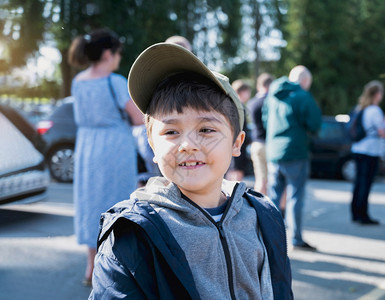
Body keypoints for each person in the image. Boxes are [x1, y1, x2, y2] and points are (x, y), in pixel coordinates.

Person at [89, 43, 293, 299]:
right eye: (171, 132)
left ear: (237, 143)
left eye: (206, 130)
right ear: (152, 144)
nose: (187, 145)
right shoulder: (131, 235)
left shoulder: (264, 218)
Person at [68, 28, 143, 286]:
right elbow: (137, 118)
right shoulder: (116, 82)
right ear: (109, 53)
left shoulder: (78, 82)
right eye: (118, 53)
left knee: (89, 204)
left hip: (87, 146)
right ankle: (115, 267)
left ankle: (91, 268)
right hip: (114, 148)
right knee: (117, 202)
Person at [263, 65, 322, 251]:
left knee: (273, 197)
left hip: (273, 151)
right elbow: (314, 123)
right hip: (295, 152)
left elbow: (264, 120)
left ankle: (270, 238)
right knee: (295, 196)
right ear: (304, 81)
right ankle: (296, 239)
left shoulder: (272, 96)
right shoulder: (303, 96)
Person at [351, 80, 385, 225]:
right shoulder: (375, 111)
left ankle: (355, 213)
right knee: (366, 183)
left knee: (358, 183)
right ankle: (363, 215)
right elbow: (381, 132)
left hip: (358, 148)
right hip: (370, 151)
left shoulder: (360, 108)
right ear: (377, 94)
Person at [248, 73, 274, 194]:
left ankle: (259, 208)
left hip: (256, 144)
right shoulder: (271, 102)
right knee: (273, 181)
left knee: (260, 179)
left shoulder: (252, 103)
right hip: (269, 144)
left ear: (259, 86)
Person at [226, 79, 252, 181]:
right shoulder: (239, 106)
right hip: (238, 145)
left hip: (232, 144)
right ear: (243, 91)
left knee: (231, 171)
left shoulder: (230, 104)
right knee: (237, 173)